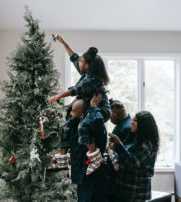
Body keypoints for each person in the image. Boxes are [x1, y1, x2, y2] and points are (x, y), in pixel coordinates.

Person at [48, 34, 110, 175]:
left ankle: (95, 158)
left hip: (101, 108)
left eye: (82, 61)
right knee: (66, 125)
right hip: (89, 105)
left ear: (87, 66)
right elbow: (74, 57)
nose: (79, 62)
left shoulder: (93, 80)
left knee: (83, 126)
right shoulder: (86, 71)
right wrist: (63, 42)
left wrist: (58, 96)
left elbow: (74, 91)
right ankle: (62, 160)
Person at [54, 97, 110, 202]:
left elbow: (97, 121)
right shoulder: (73, 128)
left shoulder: (92, 125)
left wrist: (93, 107)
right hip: (81, 177)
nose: (71, 113)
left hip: (95, 177)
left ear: (82, 115)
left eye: (74, 111)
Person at [109, 111, 159, 202]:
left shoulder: (147, 144)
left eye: (136, 121)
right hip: (124, 188)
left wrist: (119, 144)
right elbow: (124, 157)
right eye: (132, 120)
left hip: (135, 192)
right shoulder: (134, 139)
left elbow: (132, 163)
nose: (132, 122)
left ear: (144, 126)